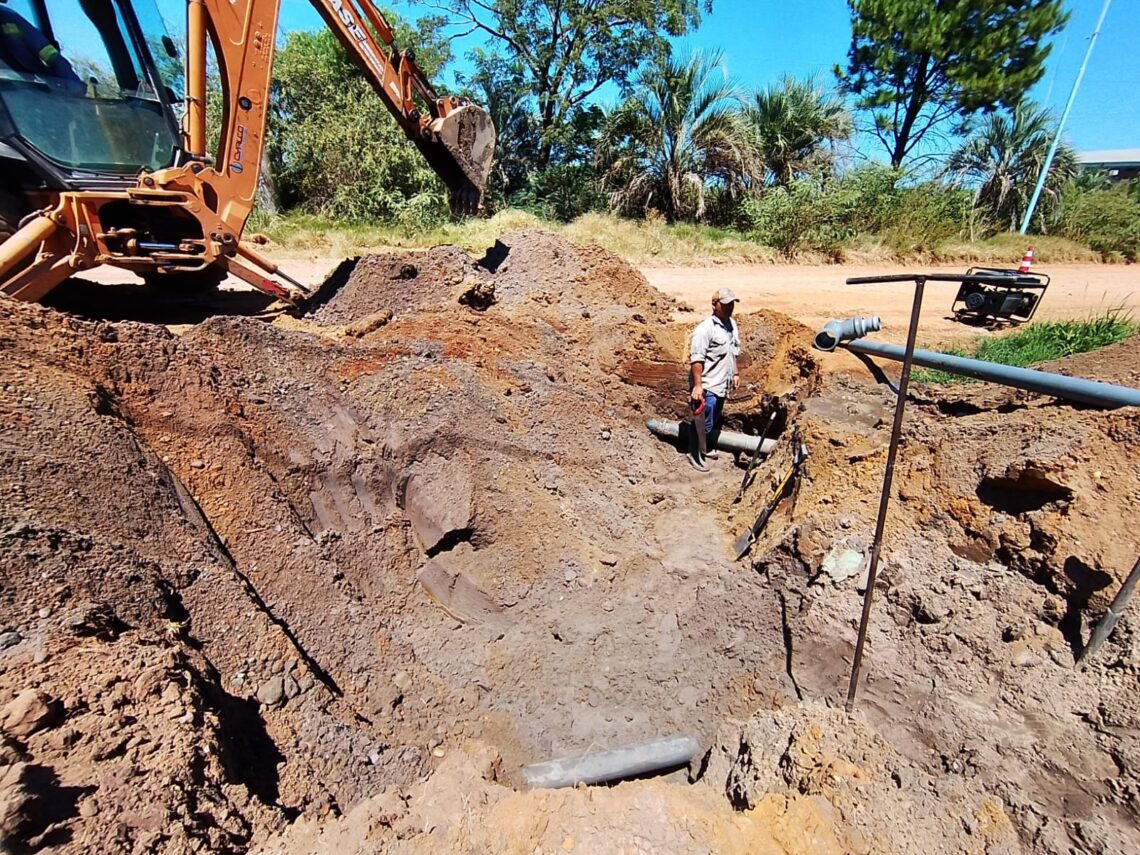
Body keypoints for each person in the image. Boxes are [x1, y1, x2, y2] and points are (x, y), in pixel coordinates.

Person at [688, 288, 741, 471]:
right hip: (708, 384)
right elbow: (697, 359)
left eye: (731, 304)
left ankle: (705, 447)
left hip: (722, 384)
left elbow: (733, 352)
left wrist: (735, 373)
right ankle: (694, 453)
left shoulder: (732, 325)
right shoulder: (704, 330)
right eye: (725, 304)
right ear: (714, 305)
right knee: (702, 420)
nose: (729, 307)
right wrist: (698, 386)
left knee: (714, 418)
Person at [0, 2, 84, 93]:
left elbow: (48, 53)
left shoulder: (8, 17)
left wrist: (71, 85)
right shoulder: (8, 16)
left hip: (24, 91)